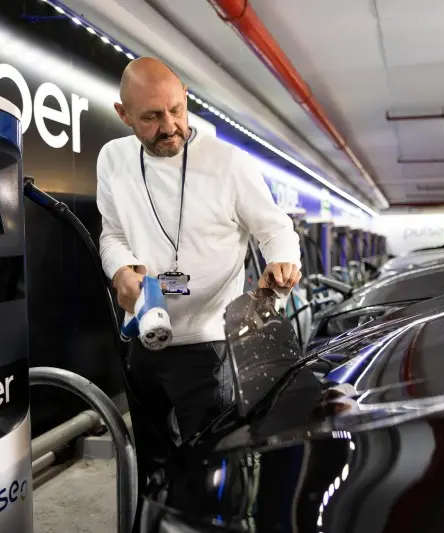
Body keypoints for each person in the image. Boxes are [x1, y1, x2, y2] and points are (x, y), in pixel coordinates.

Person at [95, 55, 302, 505]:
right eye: (151, 117)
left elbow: (275, 229)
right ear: (123, 114)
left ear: (186, 98)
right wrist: (119, 270)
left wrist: (282, 262)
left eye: (176, 109)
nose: (170, 126)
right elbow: (111, 233)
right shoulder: (112, 159)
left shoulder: (228, 163)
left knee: (213, 475)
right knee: (150, 468)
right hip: (146, 341)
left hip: (211, 348)